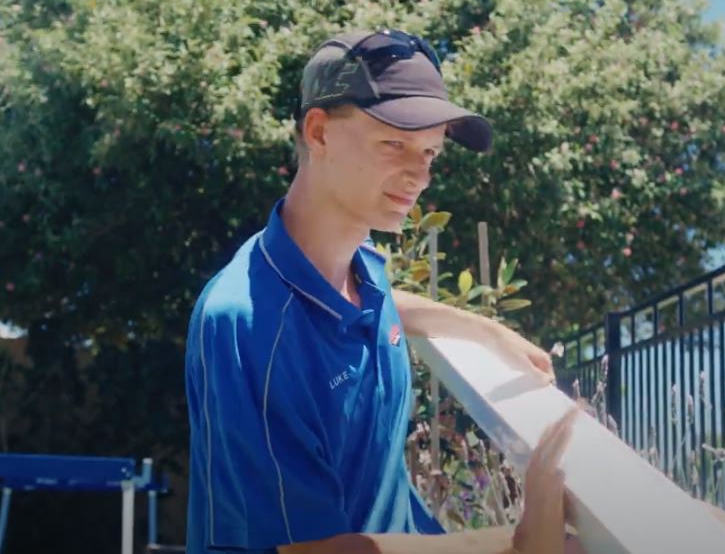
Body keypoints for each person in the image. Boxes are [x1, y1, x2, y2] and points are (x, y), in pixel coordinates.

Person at [184, 28, 580, 554]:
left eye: (432, 153)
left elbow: (372, 311)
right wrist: (517, 543)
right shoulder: (245, 325)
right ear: (319, 132)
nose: (420, 175)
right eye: (394, 143)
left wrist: (483, 328)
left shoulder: (359, 269)